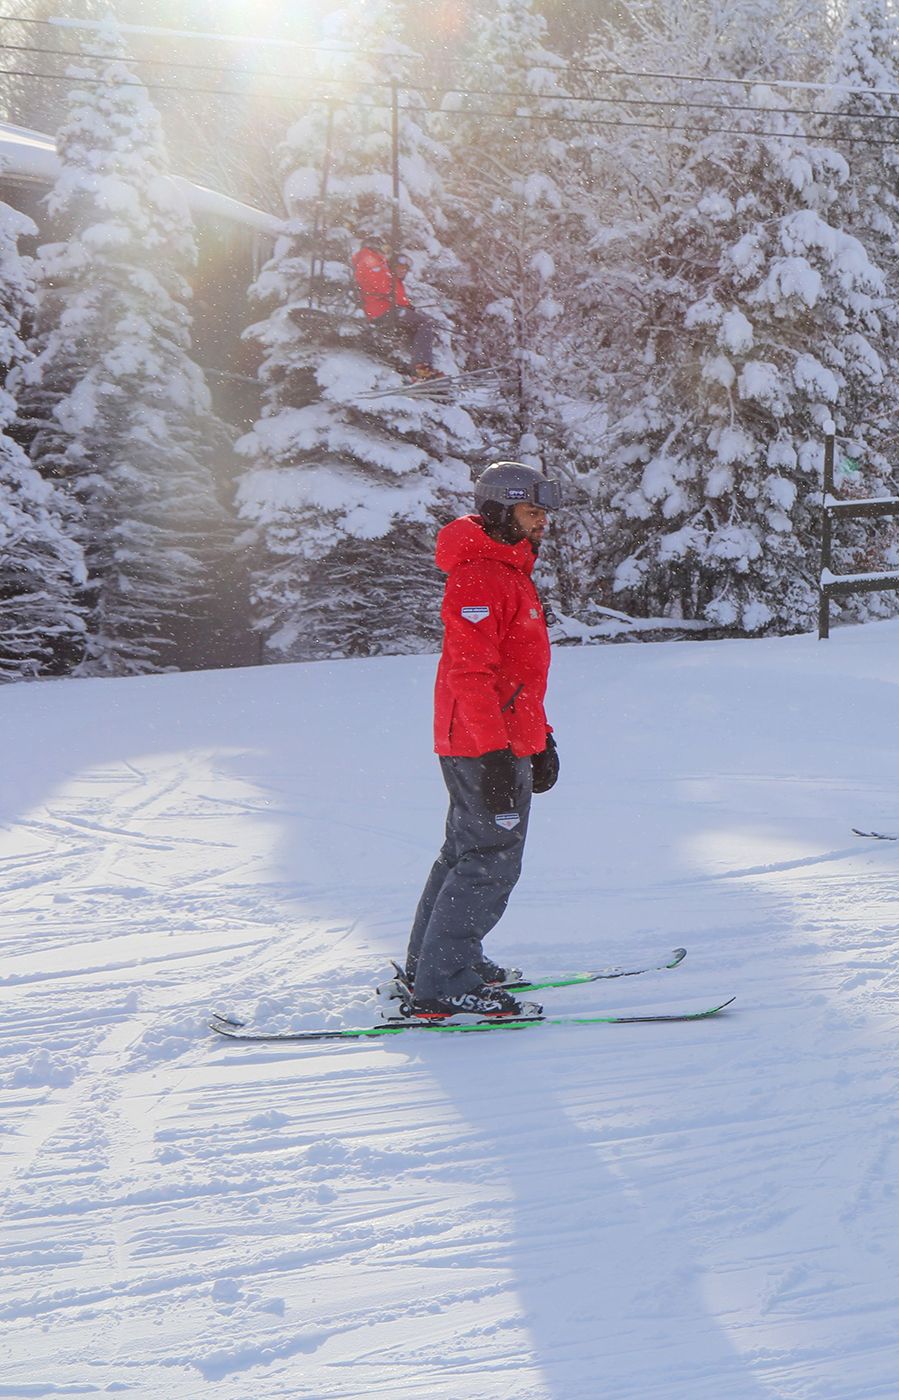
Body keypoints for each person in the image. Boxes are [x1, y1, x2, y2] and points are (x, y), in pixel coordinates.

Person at [399, 461, 566, 1019]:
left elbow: (518, 675)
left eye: (543, 512)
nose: (542, 521)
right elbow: (470, 673)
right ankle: (445, 984)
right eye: (531, 510)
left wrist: (540, 739)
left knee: (465, 853)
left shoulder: (507, 571)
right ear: (498, 511)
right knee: (490, 861)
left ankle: (434, 964)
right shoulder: (480, 576)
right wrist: (495, 751)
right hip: (483, 745)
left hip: (499, 739)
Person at [352, 236, 442, 380]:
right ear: (375, 247)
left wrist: (407, 306)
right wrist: (405, 306)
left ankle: (417, 367)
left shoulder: (373, 263)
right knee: (425, 323)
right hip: (382, 310)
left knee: (418, 326)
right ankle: (421, 368)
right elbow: (385, 288)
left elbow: (392, 292)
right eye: (382, 248)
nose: (383, 251)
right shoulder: (371, 261)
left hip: (383, 309)